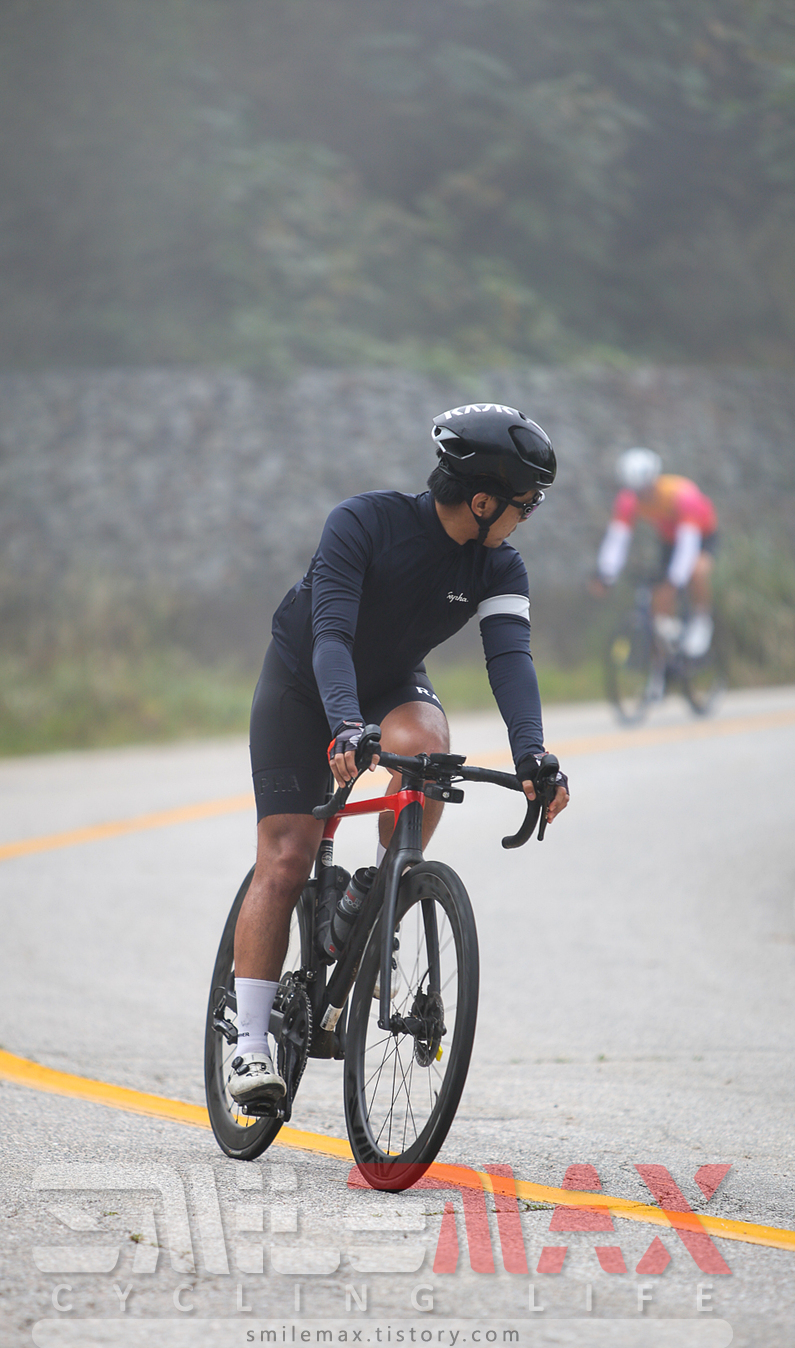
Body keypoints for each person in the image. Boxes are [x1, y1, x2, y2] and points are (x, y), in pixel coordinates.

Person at [227, 404, 572, 1104]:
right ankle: (250, 1044)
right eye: (526, 503)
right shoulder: (363, 522)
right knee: (288, 857)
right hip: (304, 685)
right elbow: (330, 636)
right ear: (484, 501)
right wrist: (345, 725)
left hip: (388, 683)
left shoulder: (499, 565)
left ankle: (383, 891)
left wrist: (532, 755)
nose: (528, 516)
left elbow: (511, 660)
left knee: (431, 752)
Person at [589, 447, 718, 658]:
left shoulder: (682, 496)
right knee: (657, 599)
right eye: (636, 491)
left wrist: (674, 582)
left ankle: (702, 620)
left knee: (696, 571)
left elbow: (688, 546)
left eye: (645, 490)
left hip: (701, 536)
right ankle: (667, 646)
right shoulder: (629, 499)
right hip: (669, 540)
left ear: (654, 481)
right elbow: (617, 539)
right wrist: (606, 574)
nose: (642, 496)